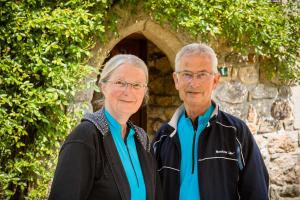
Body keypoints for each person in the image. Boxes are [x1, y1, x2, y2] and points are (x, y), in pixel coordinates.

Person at [152, 43, 269, 200]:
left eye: (202, 75)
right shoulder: (163, 136)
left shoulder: (236, 132)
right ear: (176, 80)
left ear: (215, 80)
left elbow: (256, 191)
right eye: (187, 74)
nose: (194, 83)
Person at [49, 54, 160, 200]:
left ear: (144, 92)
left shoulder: (142, 140)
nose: (128, 91)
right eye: (120, 82)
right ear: (103, 86)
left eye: (137, 85)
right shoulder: (85, 137)